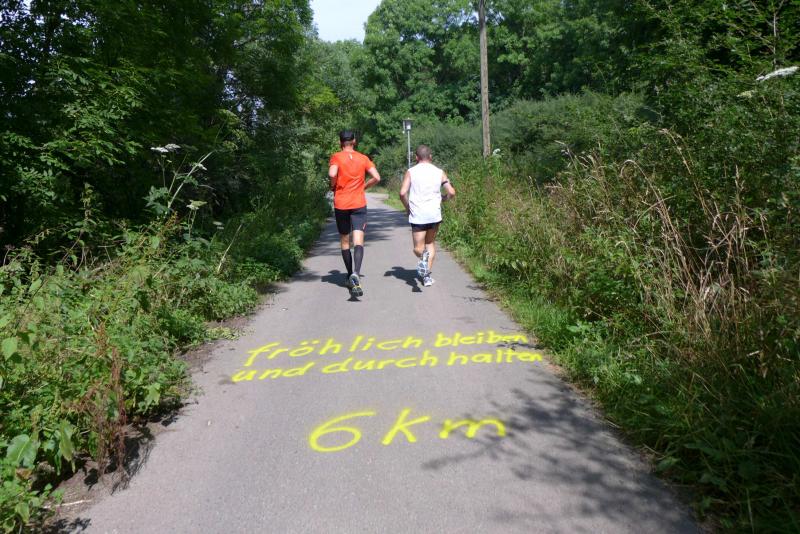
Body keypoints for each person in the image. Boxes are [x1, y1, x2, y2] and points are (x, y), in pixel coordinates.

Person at [328, 130, 381, 297]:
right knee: (358, 240)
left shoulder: (336, 157)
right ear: (354, 141)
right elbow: (377, 177)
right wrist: (364, 186)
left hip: (341, 203)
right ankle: (356, 273)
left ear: (340, 143)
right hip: (358, 203)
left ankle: (349, 274)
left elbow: (332, 173)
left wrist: (333, 185)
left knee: (345, 240)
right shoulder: (363, 158)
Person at [399, 144, 455, 287]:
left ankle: (423, 258)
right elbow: (451, 192)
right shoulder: (439, 172)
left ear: (416, 157)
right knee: (430, 243)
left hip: (418, 214)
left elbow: (402, 193)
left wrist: (407, 207)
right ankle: (426, 277)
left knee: (418, 248)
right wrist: (444, 199)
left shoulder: (411, 172)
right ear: (430, 157)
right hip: (434, 214)